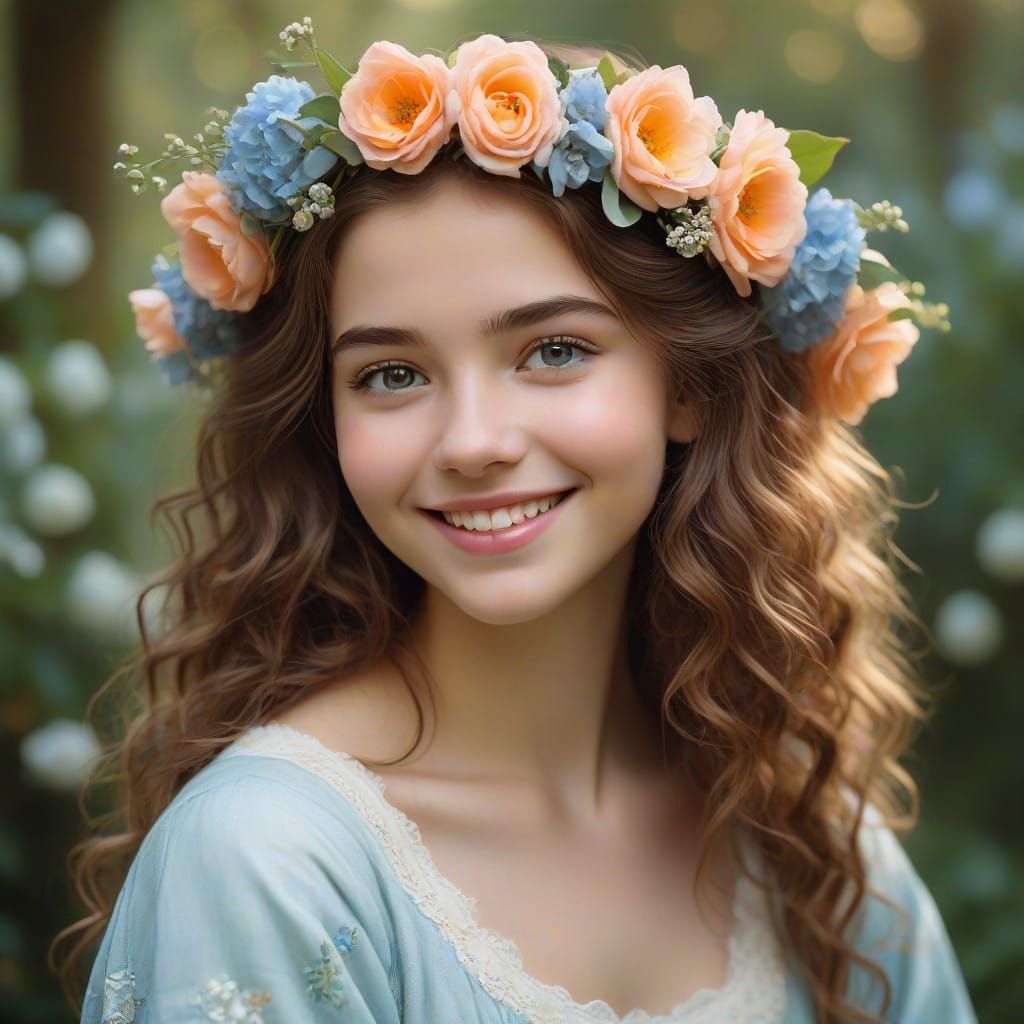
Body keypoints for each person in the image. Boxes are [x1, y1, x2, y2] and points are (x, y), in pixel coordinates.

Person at [55, 23, 975, 1024]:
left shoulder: (812, 850)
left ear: (689, 389)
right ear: (326, 421)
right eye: (391, 374)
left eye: (551, 351)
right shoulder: (268, 862)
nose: (474, 441)